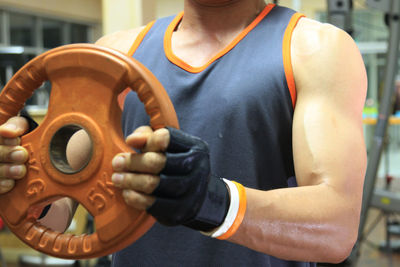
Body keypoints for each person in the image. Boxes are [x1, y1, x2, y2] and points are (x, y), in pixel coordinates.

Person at [0, 0, 367, 266]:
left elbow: (336, 229)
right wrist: (19, 179)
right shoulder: (116, 52)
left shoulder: (314, 48)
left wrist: (212, 201)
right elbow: (56, 214)